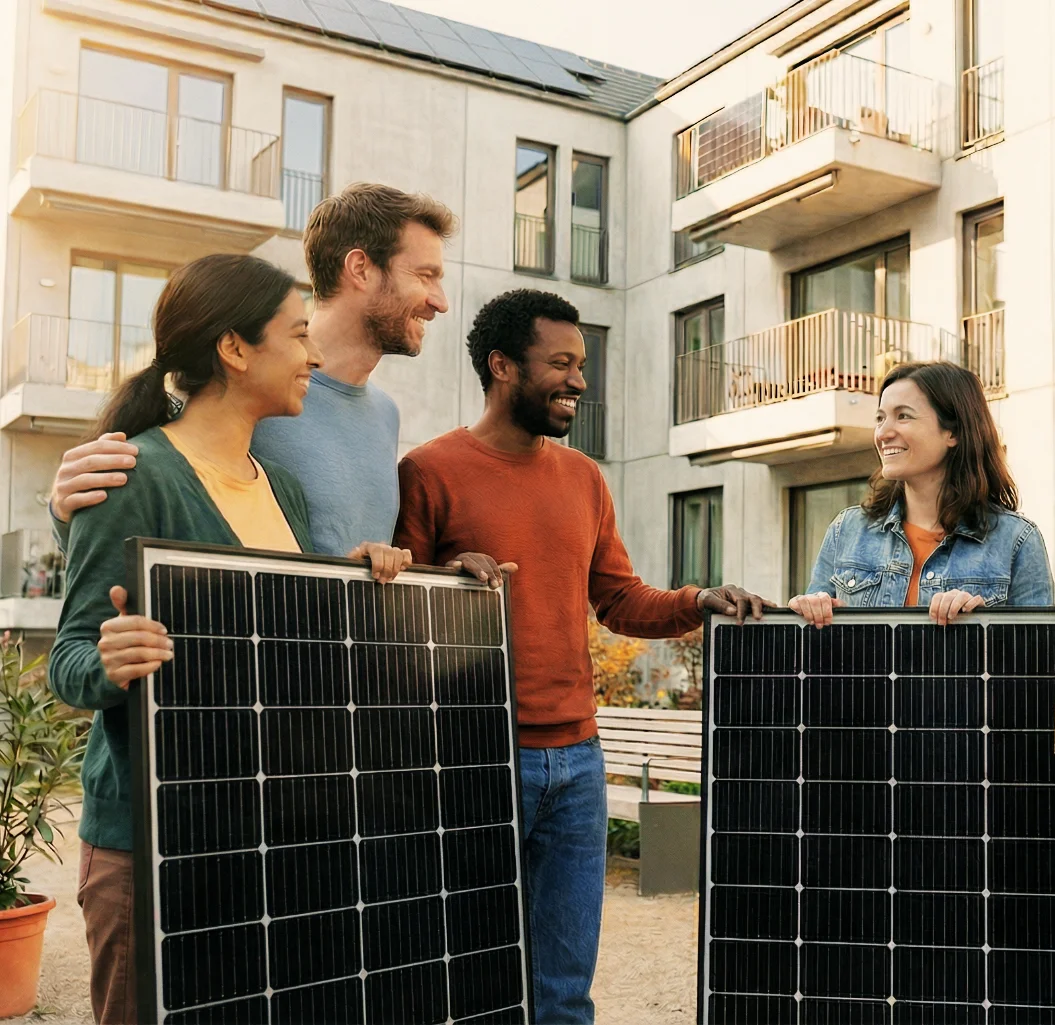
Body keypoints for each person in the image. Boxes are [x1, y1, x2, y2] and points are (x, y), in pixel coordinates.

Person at [392, 288, 772, 1023]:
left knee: (565, 991)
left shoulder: (585, 477)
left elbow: (619, 599)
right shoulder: (430, 470)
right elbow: (398, 615)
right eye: (561, 363)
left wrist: (698, 600)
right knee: (473, 975)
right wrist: (446, 578)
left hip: (578, 762)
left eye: (581, 363)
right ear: (503, 366)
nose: (579, 381)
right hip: (477, 755)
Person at [50, 254, 398, 1024]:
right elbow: (70, 657)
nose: (313, 355)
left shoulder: (284, 491)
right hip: (148, 844)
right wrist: (109, 660)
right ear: (234, 349)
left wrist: (356, 580)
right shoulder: (134, 473)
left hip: (252, 835)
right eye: (297, 334)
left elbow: (275, 650)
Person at [47, 183, 500, 582]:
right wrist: (64, 513)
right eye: (425, 276)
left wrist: (445, 575)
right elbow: (147, 516)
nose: (440, 302)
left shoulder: (385, 414)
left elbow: (368, 565)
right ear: (360, 268)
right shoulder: (248, 390)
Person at [787, 360, 1052, 627]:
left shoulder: (1017, 541)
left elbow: (1040, 650)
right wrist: (804, 613)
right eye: (880, 418)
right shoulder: (846, 530)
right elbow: (812, 646)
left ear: (953, 432)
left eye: (903, 416)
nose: (883, 433)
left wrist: (982, 629)